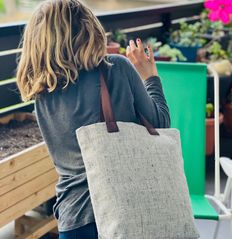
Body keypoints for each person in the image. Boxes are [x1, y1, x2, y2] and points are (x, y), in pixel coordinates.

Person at [16, 0, 170, 238]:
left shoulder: (43, 95)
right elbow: (159, 124)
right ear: (89, 27)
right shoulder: (116, 68)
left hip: (73, 218)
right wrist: (150, 77)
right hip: (124, 212)